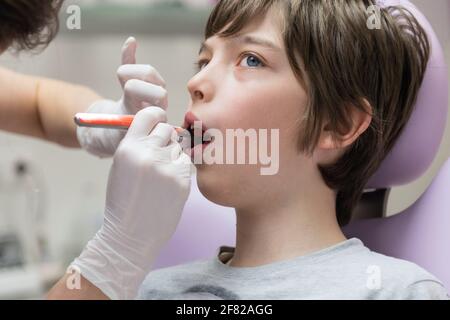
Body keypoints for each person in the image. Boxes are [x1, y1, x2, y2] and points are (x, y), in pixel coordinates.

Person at [48, 0, 449, 300]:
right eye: (203, 60)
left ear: (336, 125)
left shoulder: (397, 292)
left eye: (251, 59)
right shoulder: (154, 288)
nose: (197, 81)